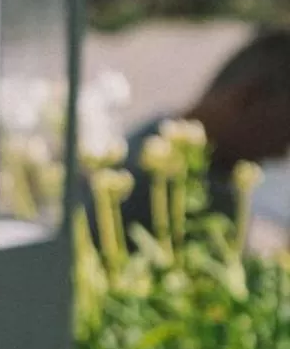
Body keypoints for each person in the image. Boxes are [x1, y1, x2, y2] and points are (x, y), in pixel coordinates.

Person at [119, 30, 290, 234]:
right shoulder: (143, 178)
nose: (280, 153)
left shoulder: (220, 182)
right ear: (249, 99)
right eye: (283, 134)